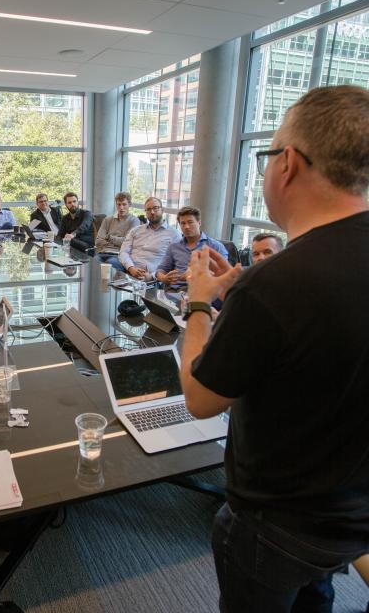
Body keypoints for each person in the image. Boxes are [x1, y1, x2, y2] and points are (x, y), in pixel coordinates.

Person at [179, 85, 369, 612]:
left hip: (275, 524)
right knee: (318, 600)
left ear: (286, 163)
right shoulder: (267, 284)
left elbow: (200, 398)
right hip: (353, 518)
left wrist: (199, 305)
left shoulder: (272, 286)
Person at [156, 206, 228, 288]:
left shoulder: (215, 246)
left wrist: (194, 274)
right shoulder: (174, 246)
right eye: (183, 223)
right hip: (175, 291)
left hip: (203, 291)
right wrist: (164, 278)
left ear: (199, 223)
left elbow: (224, 274)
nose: (186, 227)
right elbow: (161, 269)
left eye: (190, 222)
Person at [119, 196, 179, 280]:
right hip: (127, 271)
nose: (152, 212)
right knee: (110, 265)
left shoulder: (174, 234)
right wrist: (131, 268)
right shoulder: (135, 230)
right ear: (145, 212)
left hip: (152, 278)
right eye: (148, 209)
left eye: (156, 208)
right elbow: (123, 252)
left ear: (162, 210)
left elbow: (174, 264)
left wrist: (152, 276)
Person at [96, 192, 140, 270]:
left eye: (124, 204)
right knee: (92, 264)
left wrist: (108, 237)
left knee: (109, 265)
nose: (121, 208)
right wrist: (118, 241)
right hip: (103, 253)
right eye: (119, 204)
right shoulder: (108, 220)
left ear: (130, 204)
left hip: (120, 255)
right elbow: (98, 241)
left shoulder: (134, 221)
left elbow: (126, 243)